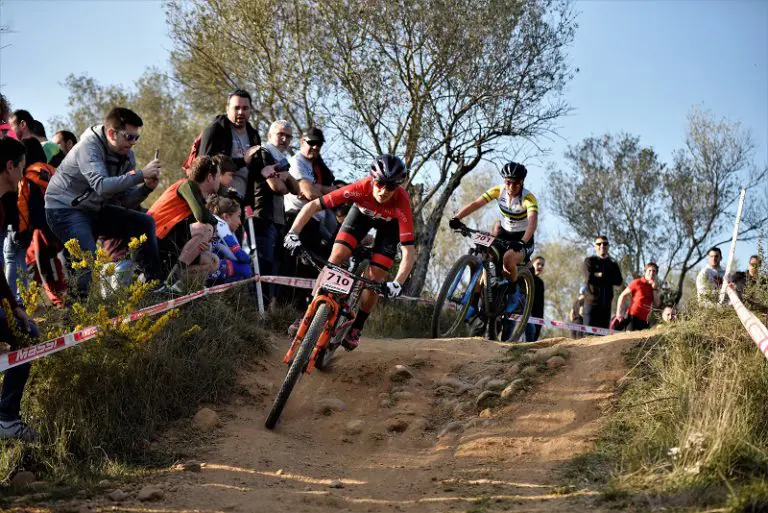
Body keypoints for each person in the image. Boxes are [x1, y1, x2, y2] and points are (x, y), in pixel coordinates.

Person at [283, 154, 416, 350]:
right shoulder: (360, 188)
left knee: (375, 278)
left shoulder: (402, 202)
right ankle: (308, 313)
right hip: (361, 217)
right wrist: (293, 233)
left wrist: (398, 282)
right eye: (380, 183)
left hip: (390, 229)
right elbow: (313, 206)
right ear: (372, 179)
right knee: (335, 258)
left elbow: (409, 250)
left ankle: (357, 327)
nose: (384, 191)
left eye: (391, 186)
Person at [44, 107, 164, 296]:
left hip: (95, 209)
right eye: (129, 137)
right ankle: (75, 315)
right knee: (87, 259)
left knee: (144, 222)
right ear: (111, 133)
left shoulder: (126, 155)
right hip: (65, 209)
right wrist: (140, 174)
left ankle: (154, 287)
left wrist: (146, 188)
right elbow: (101, 186)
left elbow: (125, 201)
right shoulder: (88, 147)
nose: (132, 143)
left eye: (136, 138)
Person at [448, 162, 538, 336]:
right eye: (508, 182)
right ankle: (473, 302)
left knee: (508, 260)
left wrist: (522, 242)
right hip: (504, 234)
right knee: (486, 256)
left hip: (523, 238)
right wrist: (457, 217)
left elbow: (532, 224)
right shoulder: (499, 191)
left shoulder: (528, 199)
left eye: (516, 183)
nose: (511, 186)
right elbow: (476, 203)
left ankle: (513, 294)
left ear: (522, 182)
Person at [0, 137, 40, 441]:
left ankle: (6, 419)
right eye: (21, 167)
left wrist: (13, 305)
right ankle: (7, 419)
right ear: (10, 166)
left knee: (26, 332)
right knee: (27, 334)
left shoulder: (5, 204)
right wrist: (12, 305)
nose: (24, 174)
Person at [147, 156, 221, 287]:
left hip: (171, 241)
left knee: (212, 261)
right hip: (156, 237)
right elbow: (202, 217)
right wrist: (214, 224)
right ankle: (171, 282)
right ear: (210, 177)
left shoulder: (201, 199)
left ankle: (178, 290)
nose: (219, 181)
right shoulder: (187, 185)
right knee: (206, 228)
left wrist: (202, 246)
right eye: (218, 176)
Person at [198, 89, 261, 200]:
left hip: (242, 201)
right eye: (236, 108)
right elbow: (203, 165)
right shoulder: (215, 130)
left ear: (250, 110)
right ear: (227, 109)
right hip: (217, 200)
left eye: (245, 108)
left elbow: (254, 172)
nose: (241, 112)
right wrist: (243, 161)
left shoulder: (254, 136)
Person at [206, 195, 253, 285]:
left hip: (208, 265)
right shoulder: (220, 223)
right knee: (245, 270)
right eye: (238, 216)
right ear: (226, 216)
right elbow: (238, 255)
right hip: (205, 267)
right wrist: (250, 260)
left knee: (242, 269)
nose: (240, 222)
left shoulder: (218, 222)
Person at [583, 235, 623, 330]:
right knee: (588, 335)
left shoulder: (613, 264)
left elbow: (619, 281)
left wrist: (600, 275)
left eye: (605, 244)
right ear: (595, 246)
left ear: (608, 246)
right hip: (591, 304)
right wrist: (608, 278)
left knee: (603, 336)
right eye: (599, 244)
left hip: (606, 305)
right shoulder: (589, 261)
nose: (602, 246)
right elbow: (588, 278)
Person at [615, 262, 661, 331]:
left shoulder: (655, 288)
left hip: (645, 320)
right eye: (649, 270)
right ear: (645, 272)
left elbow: (657, 304)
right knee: (629, 340)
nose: (652, 273)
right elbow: (622, 296)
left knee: (643, 341)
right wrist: (619, 313)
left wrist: (654, 288)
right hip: (632, 318)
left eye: (654, 271)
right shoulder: (637, 282)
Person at [526, 255, 546, 341]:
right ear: (532, 264)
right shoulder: (525, 277)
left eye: (542, 265)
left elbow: (541, 304)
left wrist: (540, 320)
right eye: (538, 264)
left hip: (536, 316)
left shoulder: (541, 282)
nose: (540, 266)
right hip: (523, 313)